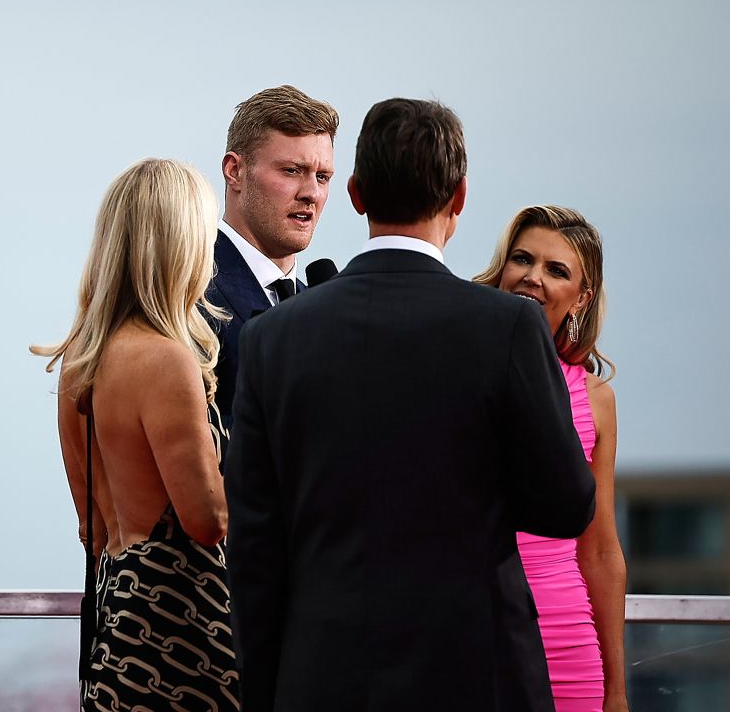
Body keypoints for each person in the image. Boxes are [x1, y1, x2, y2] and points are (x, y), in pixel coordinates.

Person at [223, 98, 598, 711]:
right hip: (476, 676)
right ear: (459, 197)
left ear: (355, 192)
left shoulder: (274, 336)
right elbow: (566, 505)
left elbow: (255, 552)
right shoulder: (507, 327)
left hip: (323, 681)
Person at [32, 158, 240, 711]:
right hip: (189, 652)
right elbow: (207, 520)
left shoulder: (80, 365)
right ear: (179, 245)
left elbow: (93, 531)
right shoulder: (167, 361)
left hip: (120, 640)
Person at [476, 206, 628, 712]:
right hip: (472, 639)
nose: (532, 277)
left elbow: (601, 551)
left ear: (581, 298)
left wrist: (616, 690)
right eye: (521, 258)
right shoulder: (458, 366)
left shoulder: (595, 398)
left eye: (556, 270)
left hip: (567, 643)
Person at [207, 85, 339, 435]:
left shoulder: (326, 309)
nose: (311, 193)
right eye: (292, 170)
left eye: (322, 177)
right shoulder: (189, 292)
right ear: (235, 171)